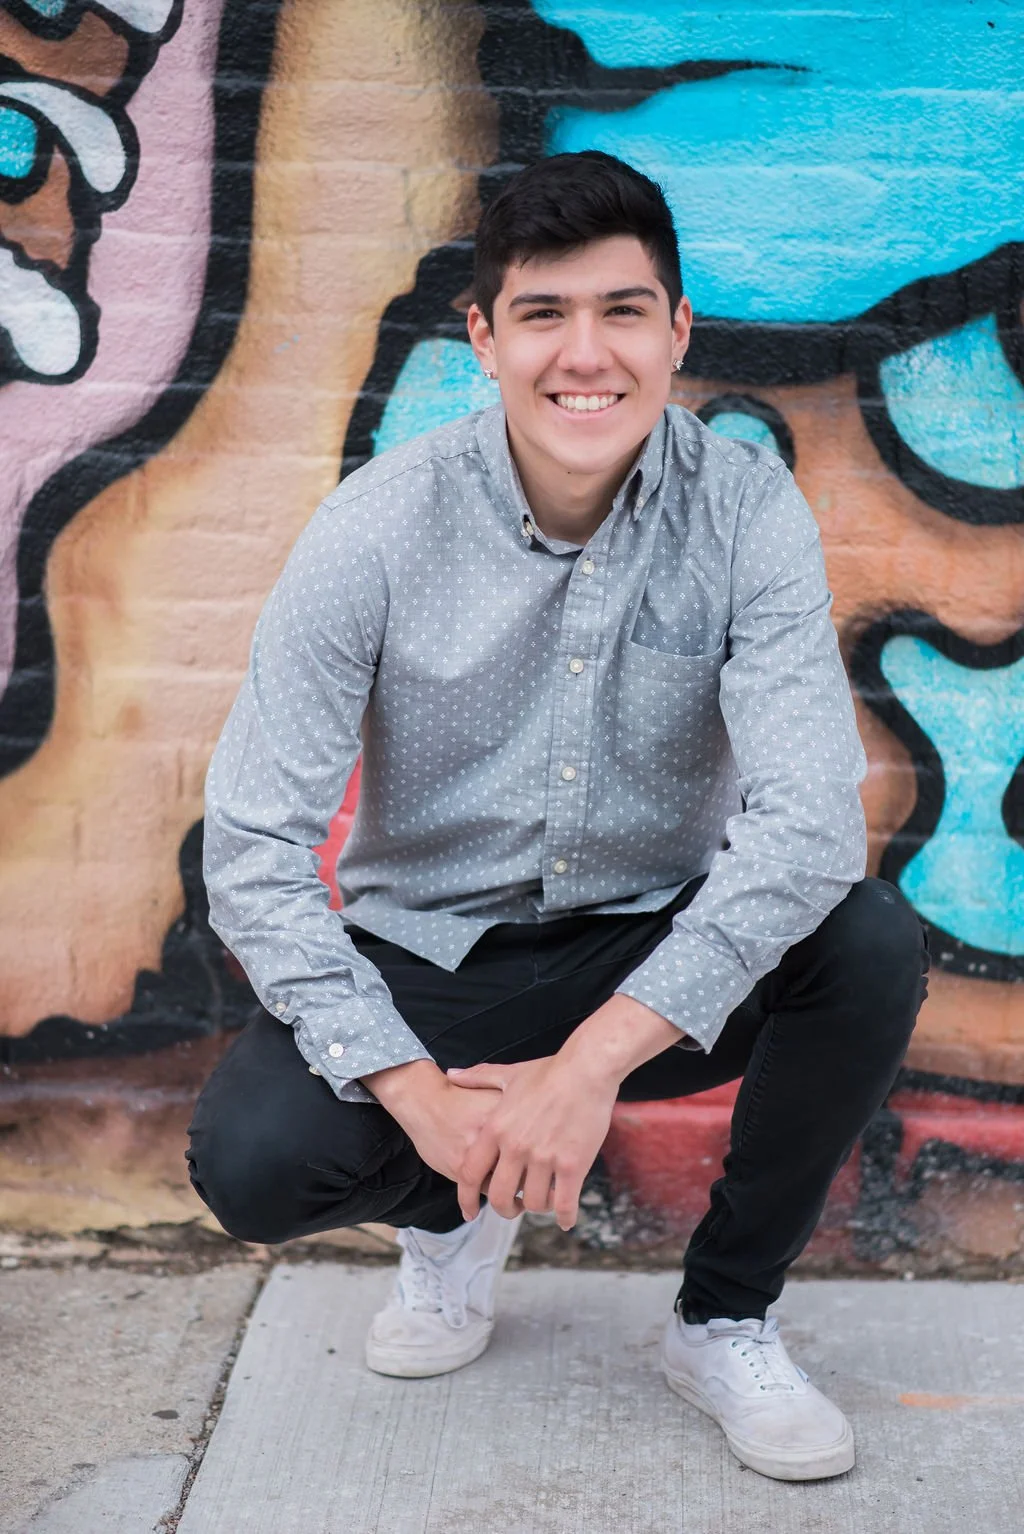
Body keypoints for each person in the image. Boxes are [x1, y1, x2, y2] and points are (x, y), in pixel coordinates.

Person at [188, 150, 929, 1482]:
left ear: (677, 329)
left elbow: (811, 821)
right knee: (256, 1159)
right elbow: (249, 845)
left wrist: (585, 1070)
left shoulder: (745, 513)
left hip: (648, 952)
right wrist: (419, 1094)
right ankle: (461, 1208)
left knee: (866, 940)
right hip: (435, 963)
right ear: (482, 335)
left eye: (623, 311)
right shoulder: (374, 530)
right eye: (543, 314)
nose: (586, 356)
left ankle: (724, 1317)